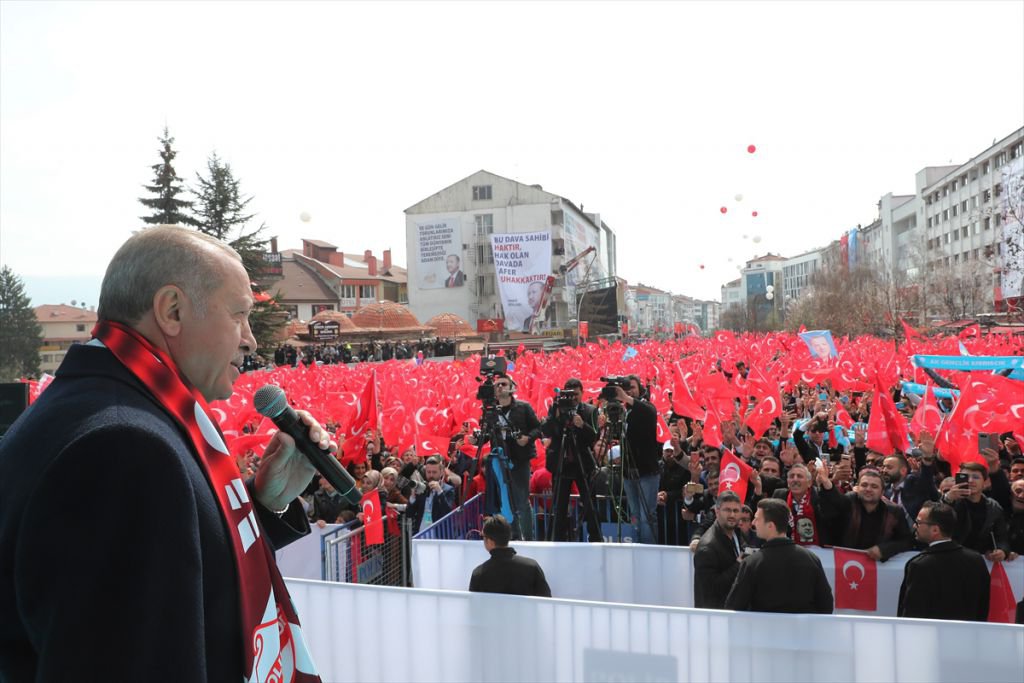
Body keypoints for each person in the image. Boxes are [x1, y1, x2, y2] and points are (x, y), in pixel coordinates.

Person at [0, 226, 324, 681]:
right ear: (172, 310)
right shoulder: (123, 447)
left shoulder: (111, 412)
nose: (250, 339)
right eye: (238, 316)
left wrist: (261, 505)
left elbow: (177, 584)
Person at [467, 371, 542, 540]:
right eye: (497, 385)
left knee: (521, 501)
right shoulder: (489, 411)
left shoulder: (523, 407)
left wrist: (527, 438)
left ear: (511, 388)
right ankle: (514, 536)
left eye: (503, 384)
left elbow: (538, 428)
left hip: (520, 459)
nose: (500, 387)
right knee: (506, 501)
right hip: (499, 460)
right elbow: (487, 434)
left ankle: (528, 539)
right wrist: (476, 439)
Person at [724, 499, 834, 614]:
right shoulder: (812, 559)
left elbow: (733, 608)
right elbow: (826, 605)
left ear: (771, 526)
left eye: (757, 518)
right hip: (802, 631)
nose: (753, 523)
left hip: (763, 630)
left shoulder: (752, 563)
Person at [897, 502, 991, 621]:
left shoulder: (920, 565)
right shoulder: (976, 559)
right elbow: (983, 608)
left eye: (919, 523)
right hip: (969, 636)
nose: (915, 526)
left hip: (931, 637)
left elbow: (913, 614)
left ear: (935, 530)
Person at [539, 378, 602, 542]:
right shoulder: (556, 408)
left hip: (583, 463)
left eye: (576, 394)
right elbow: (546, 431)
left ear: (582, 393)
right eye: (569, 394)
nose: (572, 398)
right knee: (559, 507)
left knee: (589, 505)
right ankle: (557, 539)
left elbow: (594, 437)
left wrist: (582, 425)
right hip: (561, 462)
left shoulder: (590, 411)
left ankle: (596, 538)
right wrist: (556, 416)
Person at [603, 376, 661, 544]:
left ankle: (649, 551)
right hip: (628, 472)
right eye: (625, 388)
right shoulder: (623, 411)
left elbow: (650, 413)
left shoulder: (645, 406)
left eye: (632, 387)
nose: (629, 390)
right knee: (635, 516)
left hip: (647, 472)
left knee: (646, 516)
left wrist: (626, 397)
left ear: (640, 388)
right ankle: (637, 545)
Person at [819, 468, 914, 561]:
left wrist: (884, 549)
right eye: (864, 485)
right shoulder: (849, 501)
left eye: (874, 486)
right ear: (857, 488)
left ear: (882, 492)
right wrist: (826, 482)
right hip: (844, 563)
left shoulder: (894, 511)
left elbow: (906, 541)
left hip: (879, 567)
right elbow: (835, 500)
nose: (868, 489)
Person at [941, 461, 1011, 561]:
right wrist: (948, 499)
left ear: (985, 482)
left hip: (980, 562)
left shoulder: (994, 507)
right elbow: (934, 519)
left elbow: (1001, 537)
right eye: (965, 477)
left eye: (976, 477)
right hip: (950, 558)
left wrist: (1002, 551)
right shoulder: (950, 501)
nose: (970, 481)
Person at [469, 515, 551, 597]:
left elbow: (473, 605)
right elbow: (546, 600)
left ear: (490, 541)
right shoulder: (532, 566)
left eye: (483, 536)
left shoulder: (478, 574)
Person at [692, 491, 746, 609]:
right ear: (717, 512)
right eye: (727, 510)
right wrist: (739, 565)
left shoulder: (736, 532)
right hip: (715, 617)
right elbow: (711, 589)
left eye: (736, 511)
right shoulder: (707, 548)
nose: (732, 515)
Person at [406, 456, 456, 534]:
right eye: (428, 472)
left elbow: (447, 512)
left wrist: (440, 492)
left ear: (441, 472)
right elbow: (409, 514)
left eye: (434, 472)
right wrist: (412, 497)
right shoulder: (422, 488)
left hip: (439, 533)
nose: (431, 475)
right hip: (421, 533)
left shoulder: (448, 489)